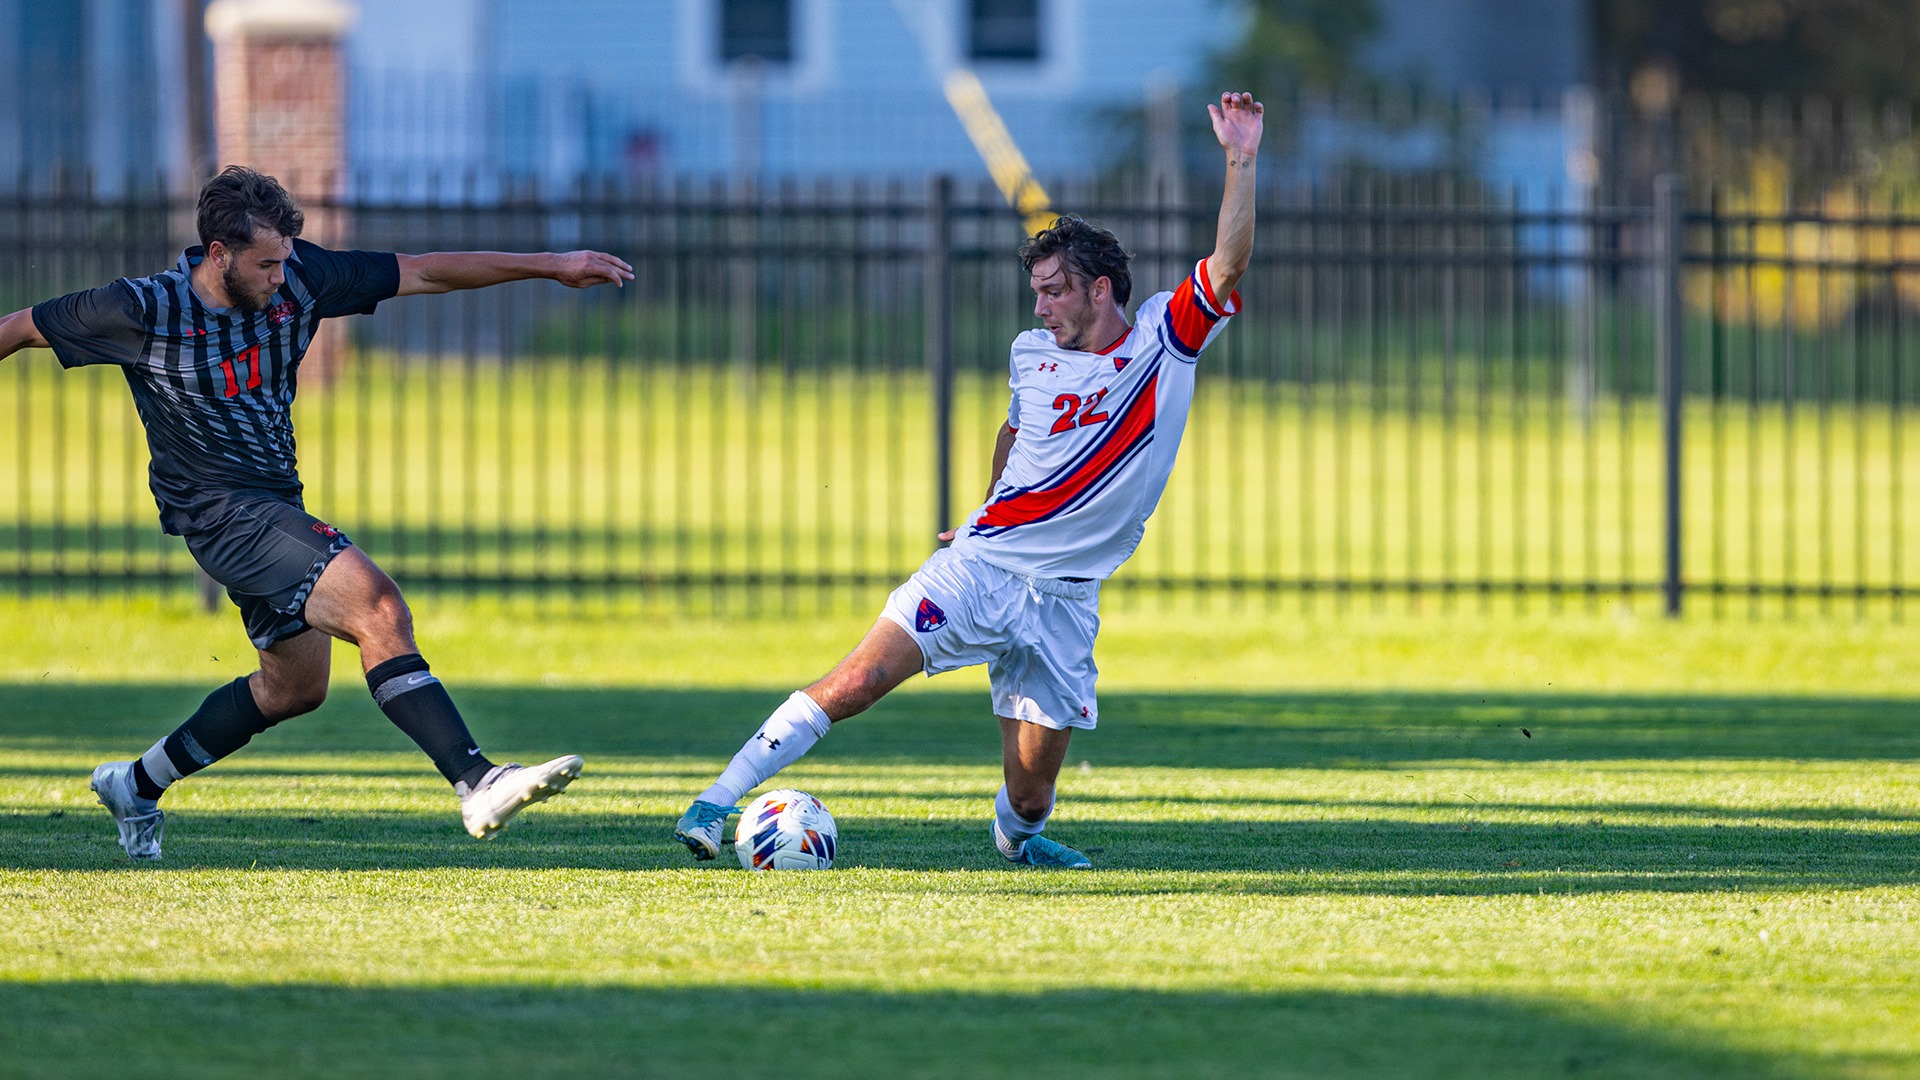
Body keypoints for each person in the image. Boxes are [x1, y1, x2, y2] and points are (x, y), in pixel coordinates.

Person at [674, 92, 1264, 869]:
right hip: (980, 567)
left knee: (1030, 794)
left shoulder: (1166, 336)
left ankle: (1016, 841)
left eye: (1055, 290)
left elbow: (1228, 260)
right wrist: (986, 508)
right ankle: (713, 804)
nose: (1041, 305)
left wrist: (1241, 158)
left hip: (1065, 599)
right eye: (1036, 291)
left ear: (1101, 289)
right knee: (858, 679)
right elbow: (1015, 430)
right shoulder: (1030, 353)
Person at [0, 166, 635, 860]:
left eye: (284, 259)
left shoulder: (301, 276)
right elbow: (16, 328)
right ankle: (478, 781)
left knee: (295, 687)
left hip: (275, 503)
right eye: (265, 263)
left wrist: (553, 266)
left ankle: (136, 784)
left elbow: (423, 272)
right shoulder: (139, 309)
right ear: (218, 255)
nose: (281, 274)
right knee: (378, 606)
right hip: (220, 514)